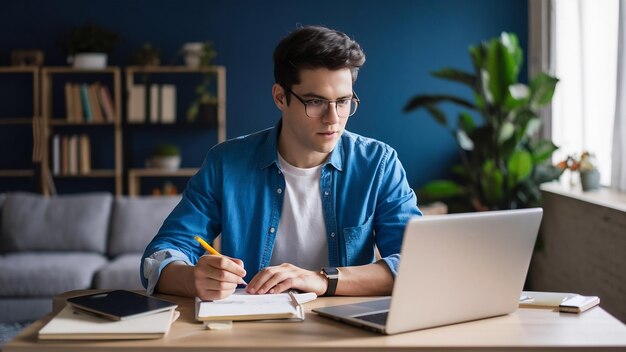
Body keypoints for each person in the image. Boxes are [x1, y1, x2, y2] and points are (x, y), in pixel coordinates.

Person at [141, 25, 421, 301]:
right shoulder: (226, 162)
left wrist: (323, 279)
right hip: (252, 328)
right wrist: (193, 280)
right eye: (315, 102)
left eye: (344, 101)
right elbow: (159, 256)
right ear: (280, 97)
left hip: (344, 327)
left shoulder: (379, 164)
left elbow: (414, 262)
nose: (333, 118)